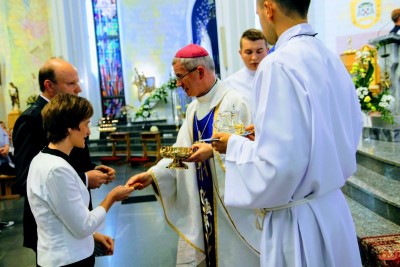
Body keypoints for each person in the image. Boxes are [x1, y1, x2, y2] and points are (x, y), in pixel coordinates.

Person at [212, 0, 363, 266]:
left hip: (299, 224)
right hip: (333, 212)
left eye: (258, 11)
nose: (259, 18)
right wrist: (268, 132)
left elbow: (278, 168)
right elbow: (342, 129)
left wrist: (234, 145)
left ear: (268, 8)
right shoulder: (329, 56)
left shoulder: (277, 64)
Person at [126, 44, 260, 266]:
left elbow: (252, 150)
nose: (178, 84)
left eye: (180, 77)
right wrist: (153, 174)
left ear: (199, 72)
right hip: (203, 203)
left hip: (233, 210)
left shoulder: (234, 102)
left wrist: (214, 153)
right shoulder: (193, 110)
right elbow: (182, 151)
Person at [12, 58, 116, 256]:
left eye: (77, 82)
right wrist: (85, 178)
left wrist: (94, 169)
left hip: (76, 218)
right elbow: (27, 178)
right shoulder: (32, 120)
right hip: (53, 232)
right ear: (49, 85)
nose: (78, 89)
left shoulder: (71, 113)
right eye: (71, 84)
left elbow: (72, 159)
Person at [27, 93, 135, 267]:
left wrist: (93, 236)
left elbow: (63, 217)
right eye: (86, 124)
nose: (88, 131)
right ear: (69, 127)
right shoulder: (57, 169)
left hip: (65, 254)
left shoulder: (43, 158)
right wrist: (112, 197)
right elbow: (83, 225)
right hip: (68, 260)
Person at [223, 28, 269, 110]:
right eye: (248, 52)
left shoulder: (278, 78)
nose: (254, 58)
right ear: (240, 54)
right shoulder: (229, 85)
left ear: (267, 51)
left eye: (259, 51)